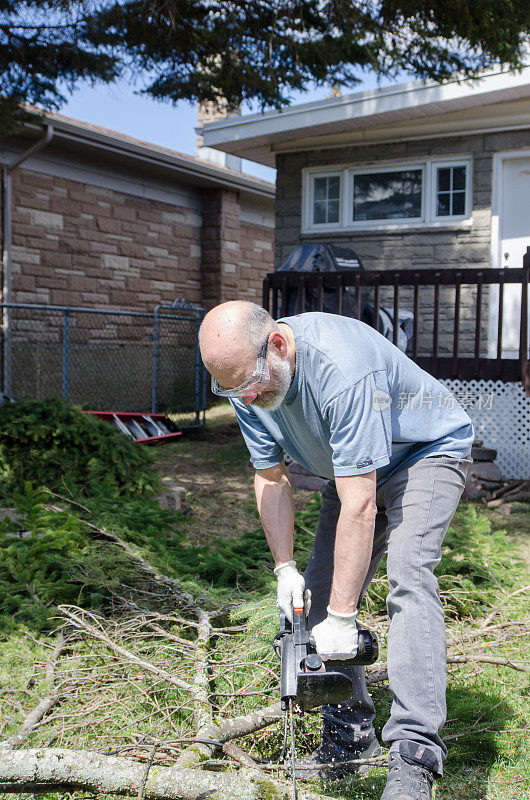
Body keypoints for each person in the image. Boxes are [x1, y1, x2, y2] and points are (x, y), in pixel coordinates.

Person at [199, 300, 473, 800]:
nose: (246, 396)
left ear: (277, 345)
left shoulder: (341, 369)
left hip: (425, 451)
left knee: (408, 577)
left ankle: (415, 756)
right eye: (231, 389)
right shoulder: (248, 379)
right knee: (318, 597)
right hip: (352, 470)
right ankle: (350, 737)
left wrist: (345, 620)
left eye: (249, 383)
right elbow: (270, 476)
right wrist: (285, 569)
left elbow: (362, 505)